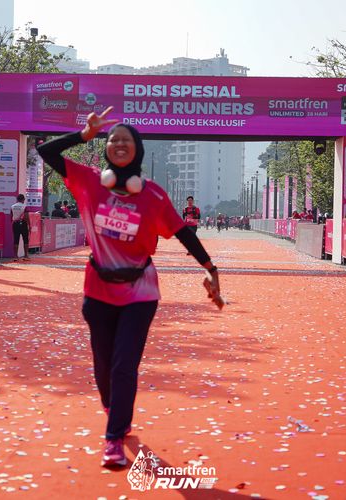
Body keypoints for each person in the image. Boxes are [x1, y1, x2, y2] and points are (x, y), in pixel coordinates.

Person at [37, 106, 222, 468]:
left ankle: (114, 437)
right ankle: (114, 408)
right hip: (97, 290)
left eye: (126, 140)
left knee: (124, 365)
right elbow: (45, 152)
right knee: (104, 364)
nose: (119, 144)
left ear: (137, 149)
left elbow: (183, 233)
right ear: (106, 148)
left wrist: (211, 269)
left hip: (140, 292)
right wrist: (83, 135)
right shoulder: (89, 181)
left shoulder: (153, 195)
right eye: (113, 140)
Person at [11, 194, 30, 260]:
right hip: (23, 223)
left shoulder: (12, 206)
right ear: (23, 199)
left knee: (16, 239)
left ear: (17, 199)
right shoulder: (24, 206)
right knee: (25, 239)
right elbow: (26, 217)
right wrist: (29, 225)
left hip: (15, 223)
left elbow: (11, 216)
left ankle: (15, 256)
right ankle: (26, 256)